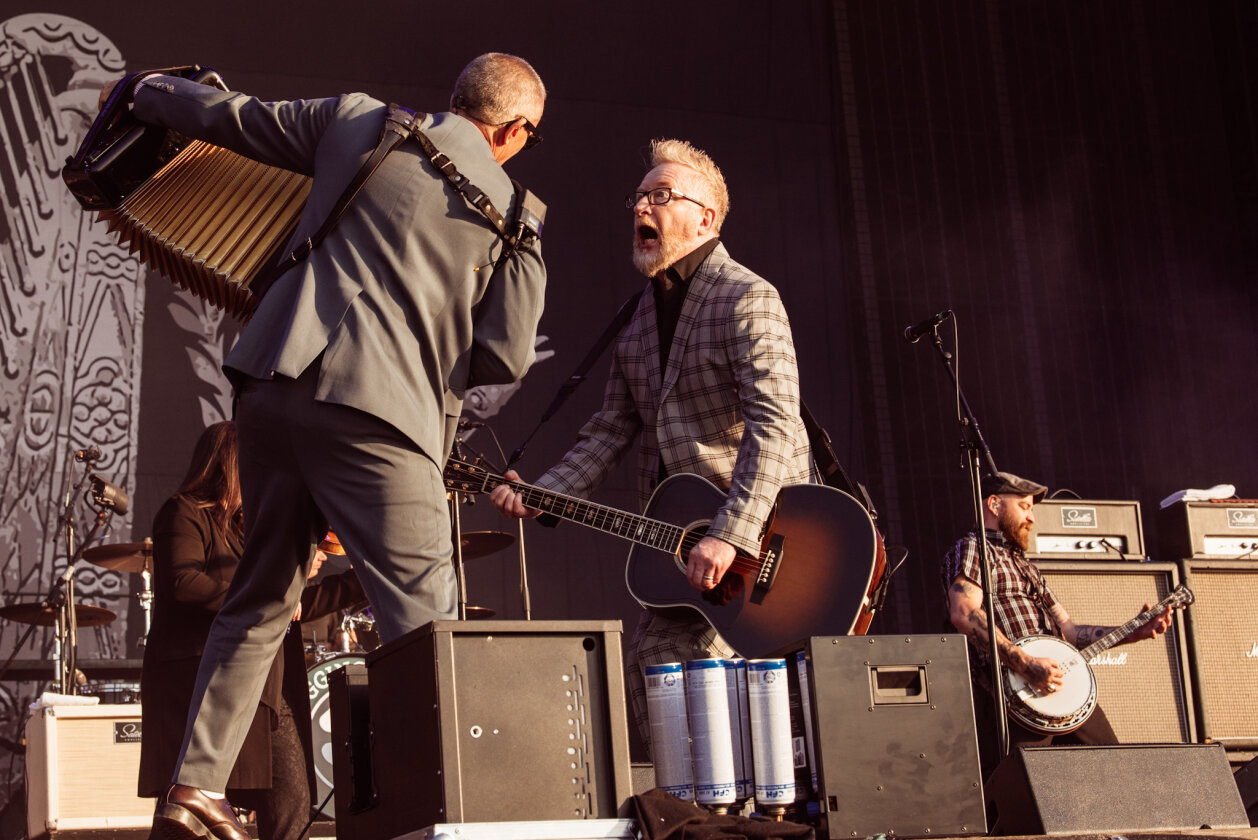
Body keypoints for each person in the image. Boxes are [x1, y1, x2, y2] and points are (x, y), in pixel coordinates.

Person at [110, 53, 547, 840]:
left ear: (455, 99)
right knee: (427, 624)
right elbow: (504, 359)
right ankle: (445, 817)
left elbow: (232, 117)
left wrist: (146, 89)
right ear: (515, 131)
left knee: (257, 601)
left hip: (275, 388)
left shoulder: (361, 121)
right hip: (384, 418)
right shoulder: (517, 214)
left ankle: (196, 789)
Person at [491, 138, 814, 756]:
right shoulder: (637, 318)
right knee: (653, 668)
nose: (643, 205)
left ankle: (745, 812)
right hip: (681, 549)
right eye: (639, 196)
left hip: (761, 544)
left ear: (706, 218)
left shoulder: (748, 297)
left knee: (723, 698)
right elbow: (612, 426)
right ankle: (697, 815)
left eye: (661, 195)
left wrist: (732, 533)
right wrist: (544, 493)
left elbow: (776, 426)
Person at [139, 421, 365, 840]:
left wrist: (363, 578)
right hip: (200, 686)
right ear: (230, 464)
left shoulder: (254, 532)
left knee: (291, 802)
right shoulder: (183, 511)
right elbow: (184, 583)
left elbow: (293, 608)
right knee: (183, 818)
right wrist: (264, 596)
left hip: (266, 688)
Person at [942, 471, 1173, 778]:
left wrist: (1135, 632)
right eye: (1024, 506)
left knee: (1118, 773)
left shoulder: (1027, 567)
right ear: (995, 505)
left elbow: (1072, 633)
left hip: (1059, 688)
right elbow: (964, 613)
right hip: (1014, 693)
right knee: (1024, 793)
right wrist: (1025, 664)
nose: (1032, 517)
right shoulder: (973, 549)